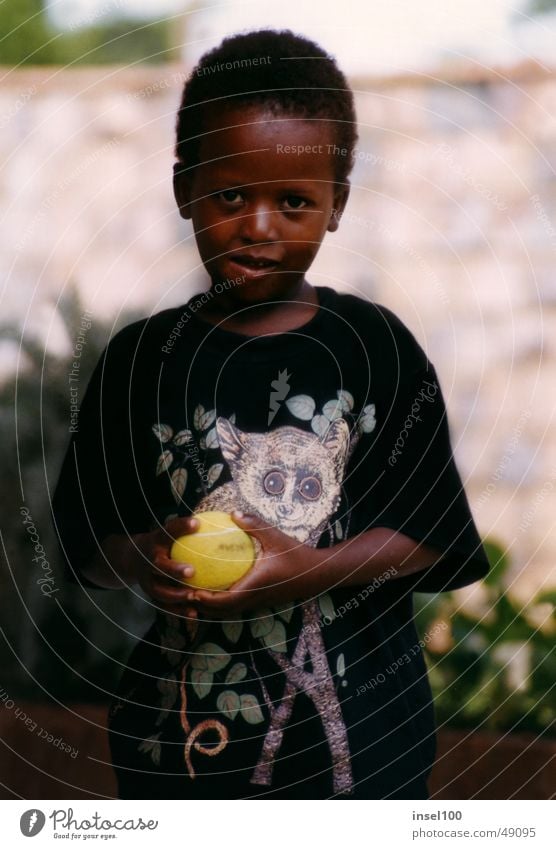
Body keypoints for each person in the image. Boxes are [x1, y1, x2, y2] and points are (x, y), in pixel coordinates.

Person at [52, 28, 489, 800]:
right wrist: (150, 554)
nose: (259, 227)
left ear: (336, 206)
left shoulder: (376, 348)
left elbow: (429, 535)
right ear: (185, 189)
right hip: (177, 754)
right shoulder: (138, 360)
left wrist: (307, 570)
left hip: (363, 754)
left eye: (293, 202)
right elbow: (90, 541)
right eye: (230, 196)